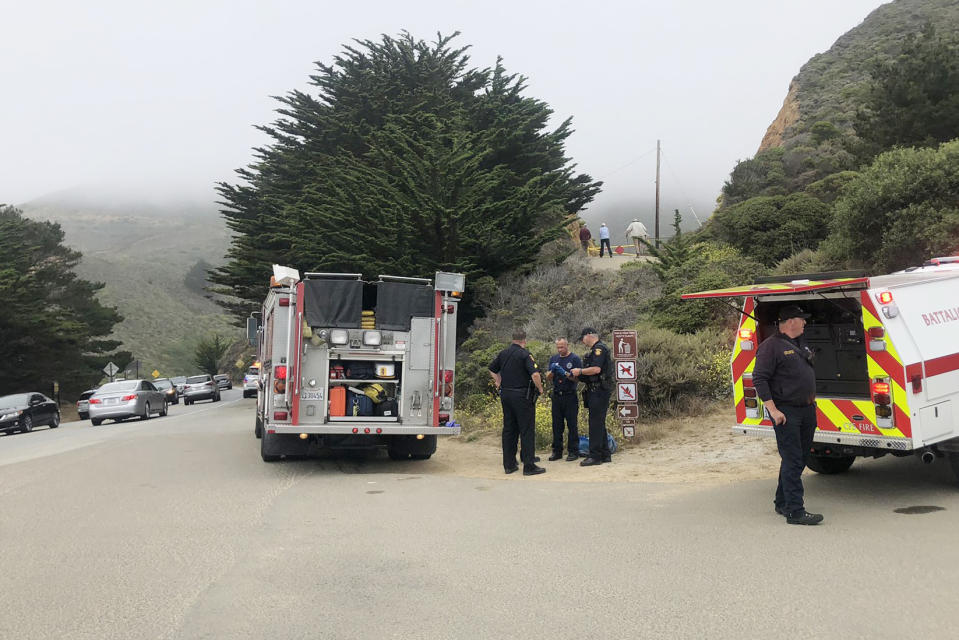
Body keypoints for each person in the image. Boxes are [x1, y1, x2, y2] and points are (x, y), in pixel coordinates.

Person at [752, 305, 824, 526]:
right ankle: (795, 511)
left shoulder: (798, 342)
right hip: (787, 412)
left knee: (799, 458)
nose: (804, 323)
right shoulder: (770, 347)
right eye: (802, 319)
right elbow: (759, 379)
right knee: (793, 460)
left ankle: (782, 501)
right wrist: (774, 411)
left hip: (806, 409)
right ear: (790, 321)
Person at [489, 329, 546, 476]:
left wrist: (498, 382)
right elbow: (535, 374)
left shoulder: (503, 353)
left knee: (509, 429)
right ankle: (529, 465)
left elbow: (492, 369)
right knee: (526, 430)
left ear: (513, 339)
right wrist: (540, 389)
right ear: (524, 340)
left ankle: (509, 465)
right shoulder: (525, 354)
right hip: (522, 396)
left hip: (506, 395)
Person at [571, 328, 613, 466]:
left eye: (582, 339)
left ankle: (595, 456)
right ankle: (605, 453)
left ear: (588, 335)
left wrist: (580, 371)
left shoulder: (599, 349)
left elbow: (596, 369)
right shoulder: (596, 349)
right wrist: (577, 375)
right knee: (599, 422)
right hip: (596, 390)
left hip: (599, 391)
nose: (583, 342)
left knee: (595, 423)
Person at [546, 338, 582, 461]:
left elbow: (578, 379)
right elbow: (548, 377)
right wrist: (552, 371)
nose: (560, 349)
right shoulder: (554, 359)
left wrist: (565, 373)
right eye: (558, 347)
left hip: (570, 395)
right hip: (557, 395)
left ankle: (573, 451)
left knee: (572, 425)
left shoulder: (574, 359)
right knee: (556, 425)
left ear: (567, 345)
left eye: (562, 347)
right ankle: (557, 451)